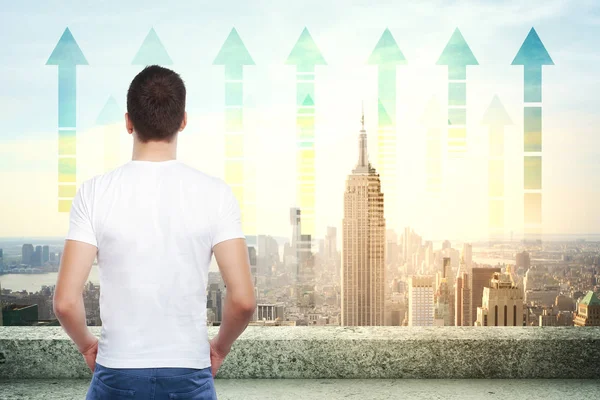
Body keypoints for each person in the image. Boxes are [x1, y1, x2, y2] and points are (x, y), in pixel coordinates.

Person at [53, 65, 256, 399]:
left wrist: (88, 346)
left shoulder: (94, 193)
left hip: (116, 371)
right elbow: (244, 301)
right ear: (183, 121)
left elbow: (64, 302)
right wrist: (218, 349)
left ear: (128, 122)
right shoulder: (216, 193)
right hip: (190, 371)